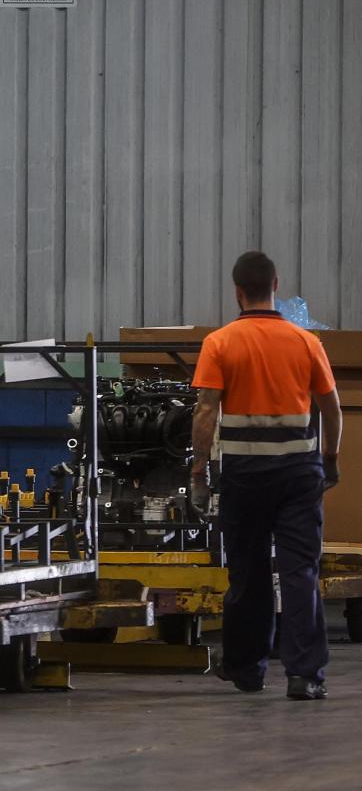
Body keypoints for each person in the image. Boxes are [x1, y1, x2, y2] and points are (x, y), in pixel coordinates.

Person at [189, 250, 342, 700]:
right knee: (299, 571)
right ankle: (304, 675)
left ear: (237, 291)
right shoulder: (306, 342)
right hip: (298, 473)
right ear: (276, 286)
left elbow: (205, 412)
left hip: (244, 475)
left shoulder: (220, 343)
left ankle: (246, 669)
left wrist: (199, 473)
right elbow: (332, 409)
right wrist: (330, 459)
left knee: (249, 571)